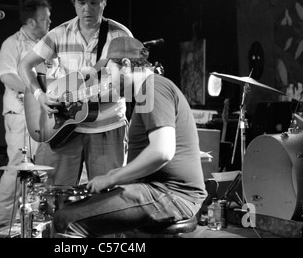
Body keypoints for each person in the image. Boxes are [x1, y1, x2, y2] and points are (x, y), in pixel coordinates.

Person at [52, 36, 207, 237]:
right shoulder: (147, 92)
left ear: (125, 64)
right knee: (82, 212)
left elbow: (162, 151)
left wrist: (112, 178)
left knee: (66, 220)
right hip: (161, 191)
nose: (109, 81)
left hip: (170, 194)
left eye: (110, 72)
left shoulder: (153, 87)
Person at [18, 0, 133, 187]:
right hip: (63, 126)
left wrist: (125, 85)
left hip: (107, 127)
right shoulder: (59, 33)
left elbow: (127, 85)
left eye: (93, 2)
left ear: (103, 3)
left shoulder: (120, 35)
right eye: (81, 2)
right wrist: (39, 95)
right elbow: (24, 65)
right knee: (53, 195)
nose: (87, 8)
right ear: (74, 4)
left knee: (107, 198)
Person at [0, 0, 54, 227]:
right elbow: (7, 75)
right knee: (16, 171)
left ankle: (38, 226)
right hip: (19, 115)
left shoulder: (48, 46)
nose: (49, 22)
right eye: (44, 19)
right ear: (31, 21)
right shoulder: (12, 43)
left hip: (46, 117)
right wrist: (37, 92)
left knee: (46, 170)